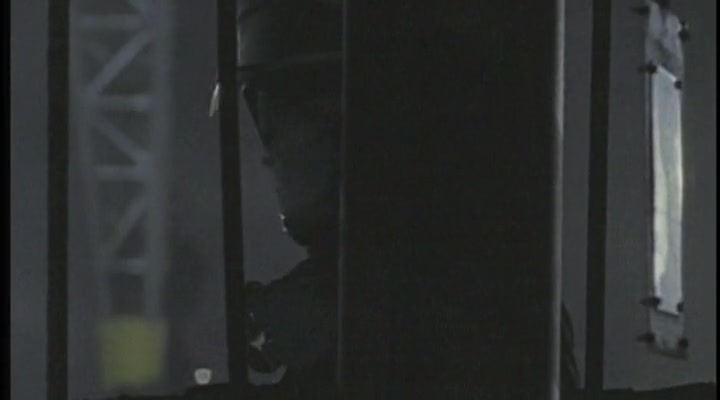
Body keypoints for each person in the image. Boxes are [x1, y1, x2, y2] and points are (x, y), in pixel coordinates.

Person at [216, 0, 580, 397]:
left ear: (349, 118)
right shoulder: (473, 287)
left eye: (277, 121)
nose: (269, 156)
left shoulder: (415, 317)